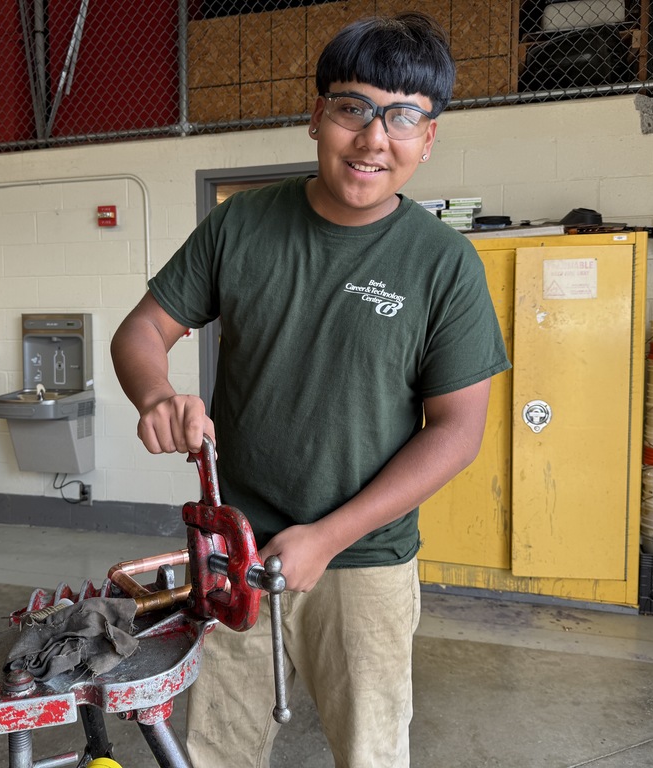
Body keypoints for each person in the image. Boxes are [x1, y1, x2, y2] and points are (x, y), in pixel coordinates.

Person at [111, 12, 510, 767]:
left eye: (403, 118)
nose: (373, 139)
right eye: (352, 107)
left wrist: (328, 538)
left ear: (428, 139)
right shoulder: (242, 226)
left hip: (366, 562)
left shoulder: (444, 264)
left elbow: (457, 430)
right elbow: (141, 332)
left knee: (371, 753)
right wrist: (156, 394)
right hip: (239, 552)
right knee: (217, 753)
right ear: (316, 116)